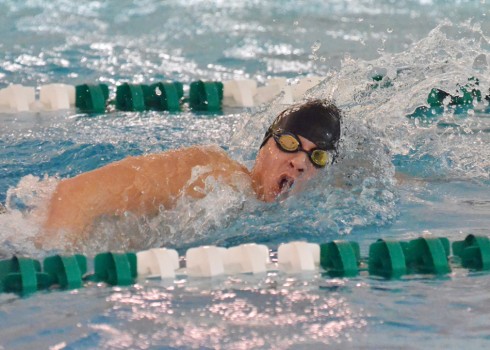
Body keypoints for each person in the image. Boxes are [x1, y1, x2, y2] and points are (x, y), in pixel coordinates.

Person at [40, 99, 342, 244]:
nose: (300, 163)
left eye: (316, 156)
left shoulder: (294, 216)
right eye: (289, 143)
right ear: (264, 147)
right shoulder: (212, 175)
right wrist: (53, 269)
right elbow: (74, 194)